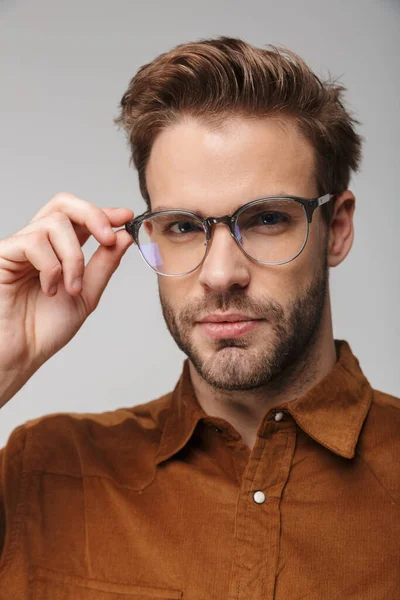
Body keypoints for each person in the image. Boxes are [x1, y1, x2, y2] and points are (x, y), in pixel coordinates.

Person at [0, 36, 398, 599]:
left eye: (265, 219)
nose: (220, 274)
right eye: (183, 226)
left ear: (335, 228)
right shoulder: (40, 471)